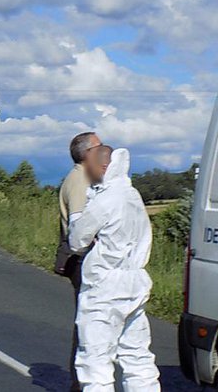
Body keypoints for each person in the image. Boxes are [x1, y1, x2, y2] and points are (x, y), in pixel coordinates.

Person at [69, 146, 160, 392]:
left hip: (105, 284)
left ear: (102, 167)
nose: (85, 171)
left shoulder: (105, 199)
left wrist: (77, 220)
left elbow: (77, 241)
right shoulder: (133, 196)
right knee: (137, 356)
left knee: (95, 359)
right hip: (135, 281)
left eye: (87, 165)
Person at [56, 131, 101, 391]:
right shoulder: (80, 181)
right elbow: (78, 226)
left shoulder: (81, 177)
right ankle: (81, 383)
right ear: (87, 154)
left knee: (89, 322)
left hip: (84, 261)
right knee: (88, 323)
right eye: (99, 146)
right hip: (84, 261)